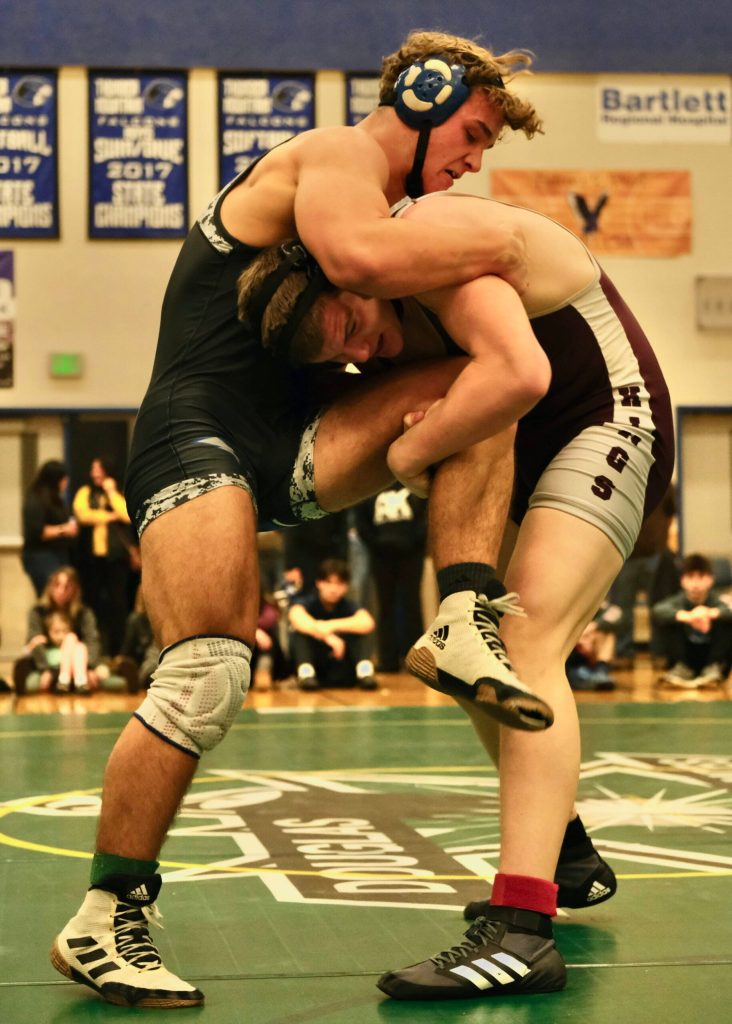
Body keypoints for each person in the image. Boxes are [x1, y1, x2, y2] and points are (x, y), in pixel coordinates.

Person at [52, 30, 551, 1010]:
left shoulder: (399, 203)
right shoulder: (336, 157)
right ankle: (106, 912)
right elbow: (352, 251)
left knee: (481, 385)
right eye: (474, 131)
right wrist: (513, 234)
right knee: (210, 667)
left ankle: (457, 609)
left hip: (291, 433)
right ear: (422, 96)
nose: (476, 159)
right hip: (195, 427)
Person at [236, 184, 674, 1000]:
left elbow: (519, 371)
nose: (356, 351)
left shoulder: (435, 252)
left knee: (524, 641)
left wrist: (407, 461)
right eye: (334, 356)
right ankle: (564, 852)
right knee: (465, 651)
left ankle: (522, 932)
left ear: (350, 276)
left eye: (346, 325)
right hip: (533, 447)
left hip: (608, 417)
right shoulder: (370, 315)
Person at [355, 484, 427, 671]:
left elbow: (425, 518)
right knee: (385, 606)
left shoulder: (415, 483)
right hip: (380, 555)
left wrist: (411, 541)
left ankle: (415, 659)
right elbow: (361, 522)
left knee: (412, 604)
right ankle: (388, 660)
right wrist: (377, 543)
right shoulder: (371, 486)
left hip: (411, 554)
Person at [73, 457, 137, 656]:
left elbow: (127, 515)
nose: (95, 473)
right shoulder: (85, 491)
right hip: (90, 559)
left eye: (99, 469)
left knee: (117, 604)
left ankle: (118, 651)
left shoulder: (118, 493)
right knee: (92, 603)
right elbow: (82, 515)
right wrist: (108, 517)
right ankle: (94, 649)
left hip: (115, 559)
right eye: (93, 469)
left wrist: (111, 492)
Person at [609, 483, 679, 661]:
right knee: (623, 606)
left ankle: (660, 653)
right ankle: (624, 654)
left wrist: (662, 543)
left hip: (656, 555)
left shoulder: (664, 483)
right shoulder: (623, 480)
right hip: (626, 555)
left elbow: (670, 514)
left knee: (658, 605)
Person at [289, 557, 378, 689]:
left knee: (362, 632)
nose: (333, 589)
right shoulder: (308, 603)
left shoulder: (348, 605)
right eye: (328, 582)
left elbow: (367, 622)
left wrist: (329, 625)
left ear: (346, 586)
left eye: (339, 583)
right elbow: (296, 617)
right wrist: (328, 637)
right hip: (317, 664)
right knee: (299, 633)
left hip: (342, 665)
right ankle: (306, 674)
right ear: (319, 583)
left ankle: (365, 672)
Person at [18, 567, 103, 695]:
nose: (61, 591)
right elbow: (35, 641)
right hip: (50, 664)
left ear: (75, 589)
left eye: (67, 587)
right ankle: (64, 679)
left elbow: (92, 640)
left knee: (77, 644)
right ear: (50, 586)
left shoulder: (84, 613)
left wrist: (89, 666)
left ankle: (75, 680)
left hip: (79, 664)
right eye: (57, 585)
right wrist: (44, 669)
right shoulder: (38, 612)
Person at [652, 553, 732, 687]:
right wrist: (689, 616)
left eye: (700, 577)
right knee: (665, 619)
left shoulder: (718, 600)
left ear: (711, 580)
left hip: (712, 657)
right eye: (690, 577)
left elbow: (728, 609)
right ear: (682, 580)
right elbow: (658, 610)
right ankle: (682, 668)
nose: (695, 583)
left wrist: (709, 613)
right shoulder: (678, 600)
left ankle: (713, 667)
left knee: (726, 620)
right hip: (686, 656)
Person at [21, 459, 78, 596]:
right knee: (51, 595)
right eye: (64, 479)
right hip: (41, 555)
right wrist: (64, 529)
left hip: (58, 553)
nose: (66, 483)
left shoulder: (56, 498)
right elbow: (37, 531)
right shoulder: (36, 499)